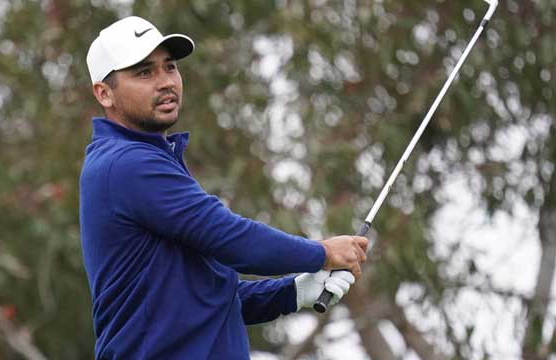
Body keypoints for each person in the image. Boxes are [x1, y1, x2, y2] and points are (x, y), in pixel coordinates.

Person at [80, 16, 368, 360]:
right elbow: (231, 238)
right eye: (144, 72)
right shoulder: (127, 164)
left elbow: (201, 299)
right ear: (104, 93)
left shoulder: (148, 160)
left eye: (169, 67)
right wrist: (321, 253)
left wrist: (291, 292)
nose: (165, 82)